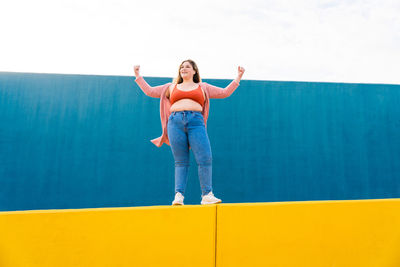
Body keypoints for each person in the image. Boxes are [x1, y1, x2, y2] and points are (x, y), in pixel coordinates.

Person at [134, 59, 245, 205]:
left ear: (194, 71)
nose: (183, 69)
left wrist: (238, 77)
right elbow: (150, 91)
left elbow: (224, 92)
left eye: (187, 67)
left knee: (205, 158)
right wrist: (138, 75)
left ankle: (207, 195)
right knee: (181, 161)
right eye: (182, 67)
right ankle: (178, 195)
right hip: (175, 123)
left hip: (196, 123)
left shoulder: (202, 87)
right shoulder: (171, 87)